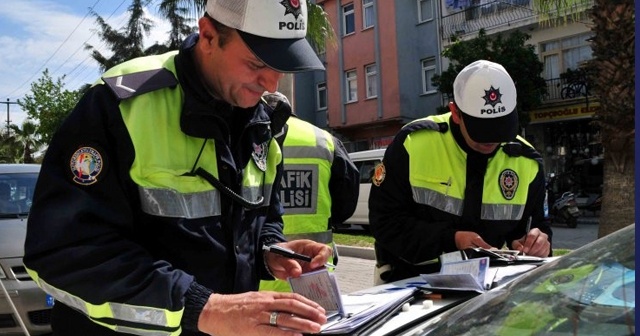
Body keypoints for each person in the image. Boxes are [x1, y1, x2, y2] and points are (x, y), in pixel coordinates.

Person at [23, 1, 335, 335]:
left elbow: (260, 217)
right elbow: (62, 253)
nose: (271, 84)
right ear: (209, 36)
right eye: (257, 62)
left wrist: (269, 250)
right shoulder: (120, 105)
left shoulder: (262, 120)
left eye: (280, 66)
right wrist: (205, 308)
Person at [369, 60, 552, 284]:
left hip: (486, 286)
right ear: (456, 112)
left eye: (501, 127)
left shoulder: (527, 161)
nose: (492, 140)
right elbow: (384, 222)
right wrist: (451, 239)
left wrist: (538, 242)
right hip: (409, 281)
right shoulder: (413, 144)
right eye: (482, 129)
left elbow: (535, 227)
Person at [259, 92, 360, 292]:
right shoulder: (324, 139)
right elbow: (346, 204)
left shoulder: (247, 136)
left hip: (257, 280)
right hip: (312, 275)